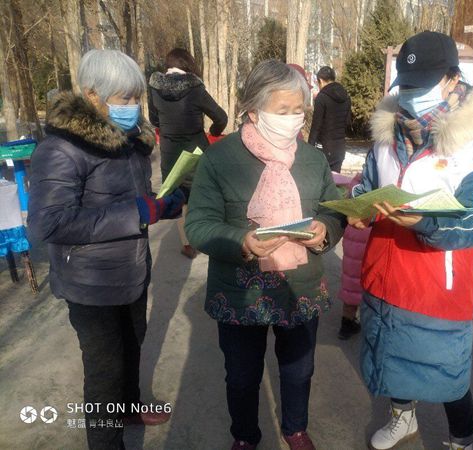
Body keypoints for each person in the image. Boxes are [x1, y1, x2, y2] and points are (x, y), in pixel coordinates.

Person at [348, 31, 473, 450]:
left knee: (447, 372)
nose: (411, 96)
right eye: (407, 85)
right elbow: (366, 185)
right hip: (383, 276)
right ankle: (403, 419)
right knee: (392, 360)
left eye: (423, 85)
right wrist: (360, 207)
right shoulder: (386, 138)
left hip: (437, 286)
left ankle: (461, 439)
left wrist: (424, 221)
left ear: (453, 79)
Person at [27, 49, 184, 450]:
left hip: (131, 272)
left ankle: (128, 408)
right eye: (123, 98)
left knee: (133, 346)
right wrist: (135, 213)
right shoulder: (60, 149)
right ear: (92, 94)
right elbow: (49, 223)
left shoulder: (128, 143)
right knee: (104, 372)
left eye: (136, 97)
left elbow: (133, 200)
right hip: (90, 283)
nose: (133, 106)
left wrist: (161, 204)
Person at [185, 60, 346, 450]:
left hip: (299, 286)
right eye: (282, 110)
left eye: (299, 110)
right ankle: (244, 435)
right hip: (240, 291)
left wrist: (326, 228)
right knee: (242, 376)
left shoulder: (312, 159)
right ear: (253, 110)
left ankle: (295, 428)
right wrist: (241, 241)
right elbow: (199, 224)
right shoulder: (220, 159)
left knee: (299, 370)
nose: (293, 119)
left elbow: (333, 209)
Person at [149, 48, 227, 258]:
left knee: (179, 197)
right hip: (196, 151)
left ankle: (187, 243)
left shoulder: (154, 88)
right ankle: (205, 234)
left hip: (169, 153)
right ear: (188, 64)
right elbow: (221, 117)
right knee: (202, 193)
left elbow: (154, 119)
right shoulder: (195, 88)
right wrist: (214, 132)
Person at [333, 172, 371, 340]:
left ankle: (346, 323)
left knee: (351, 282)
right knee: (369, 283)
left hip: (352, 239)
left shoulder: (356, 184)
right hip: (371, 240)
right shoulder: (382, 186)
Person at [308, 66, 351, 172]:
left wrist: (309, 148)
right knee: (335, 180)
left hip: (324, 148)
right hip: (340, 148)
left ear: (321, 80)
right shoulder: (346, 96)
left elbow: (316, 127)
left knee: (320, 179)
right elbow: (347, 122)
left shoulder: (322, 97)